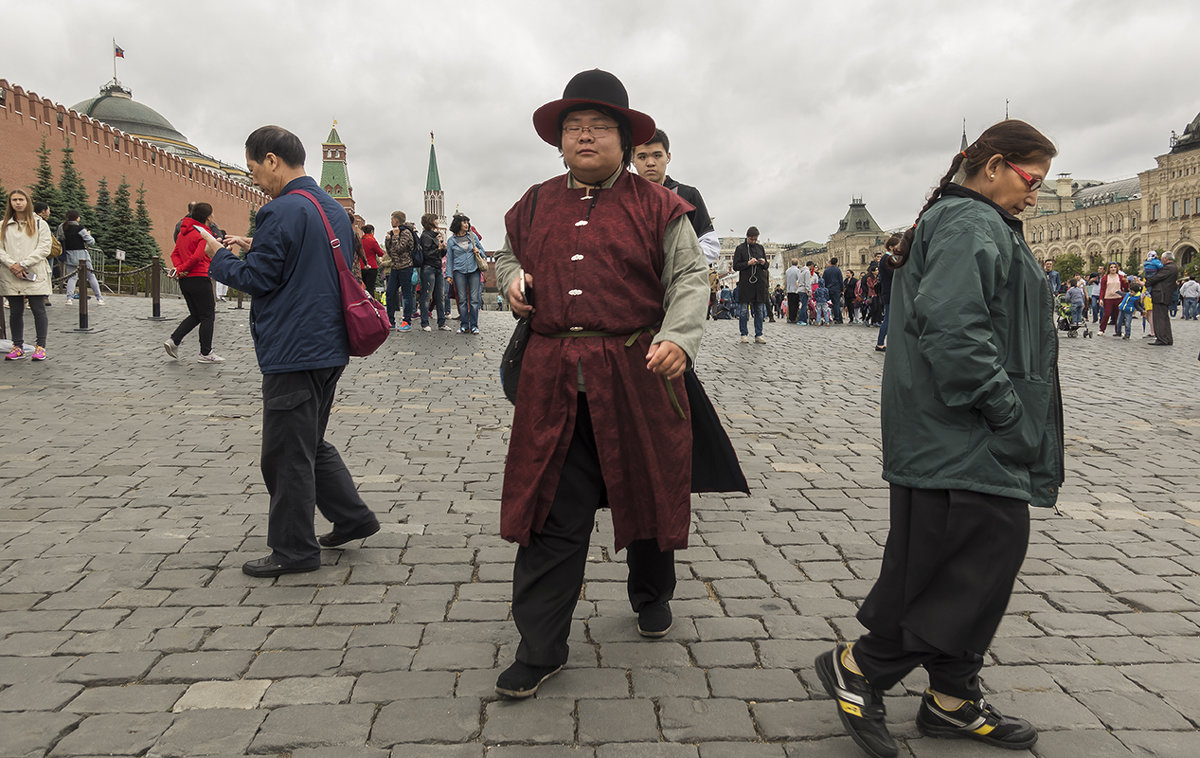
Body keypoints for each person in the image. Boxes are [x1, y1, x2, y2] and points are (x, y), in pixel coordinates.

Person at [815, 120, 1062, 757]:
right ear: (996, 165)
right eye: (1032, 180)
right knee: (967, 569)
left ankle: (952, 697)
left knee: (961, 565)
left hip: (959, 434)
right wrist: (1007, 413)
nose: (1036, 194)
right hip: (962, 432)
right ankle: (863, 666)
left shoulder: (976, 221)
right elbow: (955, 329)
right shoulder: (970, 222)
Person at [491, 69, 707, 700]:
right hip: (551, 381)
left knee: (644, 490)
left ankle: (651, 593)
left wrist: (678, 337)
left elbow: (690, 279)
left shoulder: (660, 205)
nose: (584, 137)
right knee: (549, 511)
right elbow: (506, 254)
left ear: (624, 138)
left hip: (637, 375)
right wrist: (510, 278)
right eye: (573, 129)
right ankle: (540, 646)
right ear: (560, 141)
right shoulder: (532, 202)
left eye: (599, 127)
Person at [197, 125, 380, 578]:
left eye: (255, 168)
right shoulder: (332, 209)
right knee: (309, 442)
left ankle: (294, 550)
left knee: (285, 453)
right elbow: (309, 255)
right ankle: (353, 517)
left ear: (273, 160)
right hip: (330, 344)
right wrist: (256, 244)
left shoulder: (277, 211)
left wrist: (219, 255)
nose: (255, 178)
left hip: (294, 347)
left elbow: (258, 280)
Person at [632, 129, 721, 264]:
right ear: (632, 160)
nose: (650, 163)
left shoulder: (688, 195)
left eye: (657, 155)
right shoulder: (623, 198)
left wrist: (677, 265)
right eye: (642, 157)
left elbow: (710, 246)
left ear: (668, 157)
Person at [164, 202, 223, 363]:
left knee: (197, 314)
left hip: (185, 281)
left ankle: (174, 341)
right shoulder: (203, 232)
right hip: (199, 277)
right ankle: (206, 353)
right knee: (208, 315)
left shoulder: (184, 231)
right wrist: (184, 268)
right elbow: (198, 256)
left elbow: (175, 252)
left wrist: (179, 269)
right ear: (208, 217)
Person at [1, 189, 52, 361]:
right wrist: (12, 264)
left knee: (38, 309)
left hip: (33, 272)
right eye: (14, 199)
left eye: (21, 199)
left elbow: (44, 248)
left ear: (27, 202)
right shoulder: (3, 225)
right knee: (15, 311)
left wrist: (23, 264)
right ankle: (18, 346)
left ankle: (41, 346)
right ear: (10, 203)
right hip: (11, 273)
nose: (17, 203)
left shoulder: (39, 224)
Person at [446, 213, 485, 334]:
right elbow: (449, 259)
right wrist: (449, 275)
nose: (467, 224)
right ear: (458, 224)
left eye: (467, 222)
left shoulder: (472, 237)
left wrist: (478, 251)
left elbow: (483, 252)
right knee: (462, 300)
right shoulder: (451, 241)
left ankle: (474, 325)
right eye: (464, 222)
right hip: (459, 272)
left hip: (474, 271)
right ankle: (464, 325)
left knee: (474, 300)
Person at [59, 210, 104, 306]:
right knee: (91, 276)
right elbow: (91, 241)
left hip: (69, 254)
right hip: (82, 255)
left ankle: (69, 298)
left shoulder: (62, 227)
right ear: (77, 218)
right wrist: (89, 234)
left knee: (71, 278)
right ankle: (99, 298)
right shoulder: (79, 228)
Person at [733, 226, 769, 343]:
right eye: (752, 239)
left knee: (759, 310)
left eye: (755, 239)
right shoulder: (740, 249)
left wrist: (763, 262)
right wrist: (748, 263)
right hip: (746, 284)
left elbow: (767, 266)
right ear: (747, 237)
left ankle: (759, 334)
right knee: (743, 310)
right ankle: (744, 334)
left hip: (759, 283)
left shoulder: (760, 248)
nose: (753, 242)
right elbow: (736, 266)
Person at [384, 211, 416, 332]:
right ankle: (390, 321)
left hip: (405, 267)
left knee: (406, 295)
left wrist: (396, 236)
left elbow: (399, 249)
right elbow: (390, 251)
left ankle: (406, 321)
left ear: (397, 220)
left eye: (392, 219)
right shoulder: (393, 233)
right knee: (390, 293)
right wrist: (388, 239)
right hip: (395, 267)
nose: (391, 221)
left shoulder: (406, 232)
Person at [417, 213, 449, 332]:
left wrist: (442, 249)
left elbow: (439, 255)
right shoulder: (426, 236)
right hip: (428, 268)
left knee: (440, 296)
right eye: (435, 219)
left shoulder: (436, 236)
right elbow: (426, 255)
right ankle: (424, 323)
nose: (437, 221)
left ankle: (442, 323)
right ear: (431, 221)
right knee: (426, 296)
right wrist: (438, 249)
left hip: (437, 267)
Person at [1145, 250, 1179, 345]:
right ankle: (1167, 338)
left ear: (1165, 259)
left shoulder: (1168, 268)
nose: (1161, 261)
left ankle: (1161, 339)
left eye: (1161, 259)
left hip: (1161, 295)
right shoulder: (1173, 267)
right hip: (1164, 295)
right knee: (1164, 318)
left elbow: (1157, 277)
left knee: (1159, 318)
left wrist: (1147, 283)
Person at [874, 234, 901, 352]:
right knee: (888, 318)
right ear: (891, 247)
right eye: (898, 246)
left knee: (891, 318)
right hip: (889, 292)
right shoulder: (887, 258)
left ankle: (890, 341)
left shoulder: (891, 258)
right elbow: (893, 274)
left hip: (890, 291)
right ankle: (880, 343)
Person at [1097, 262, 1127, 334]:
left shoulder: (1120, 277)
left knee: (1118, 315)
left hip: (1118, 297)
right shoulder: (1105, 278)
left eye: (1114, 267)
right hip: (1108, 298)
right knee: (1107, 314)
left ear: (1117, 268)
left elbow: (1125, 287)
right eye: (1111, 267)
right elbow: (1102, 289)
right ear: (1109, 269)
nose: (1113, 269)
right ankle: (1102, 329)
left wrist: (1126, 282)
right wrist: (1101, 299)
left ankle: (1118, 331)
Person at [360, 224, 384, 296]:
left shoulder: (360, 241)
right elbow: (380, 253)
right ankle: (371, 305)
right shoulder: (372, 241)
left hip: (361, 266)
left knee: (362, 288)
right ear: (372, 231)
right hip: (372, 267)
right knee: (370, 288)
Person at [822, 256, 844, 323]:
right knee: (836, 304)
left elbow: (823, 280)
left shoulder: (826, 270)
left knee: (828, 303)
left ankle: (839, 318)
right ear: (836, 263)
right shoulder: (838, 270)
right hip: (836, 289)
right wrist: (842, 289)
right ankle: (837, 318)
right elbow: (841, 280)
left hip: (828, 289)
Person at [784, 258, 803, 324]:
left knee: (790, 304)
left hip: (789, 290)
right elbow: (799, 280)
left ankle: (790, 318)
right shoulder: (797, 271)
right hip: (795, 290)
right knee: (795, 305)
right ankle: (794, 318)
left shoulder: (787, 270)